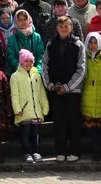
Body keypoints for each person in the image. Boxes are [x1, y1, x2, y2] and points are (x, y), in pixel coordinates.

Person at [42, 16, 86, 162]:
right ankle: (60, 151)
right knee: (59, 122)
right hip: (56, 90)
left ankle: (75, 151)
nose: (64, 28)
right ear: (57, 28)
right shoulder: (51, 44)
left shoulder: (78, 44)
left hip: (72, 91)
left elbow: (81, 69)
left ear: (71, 27)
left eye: (67, 25)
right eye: (61, 26)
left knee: (73, 122)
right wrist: (50, 85)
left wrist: (68, 87)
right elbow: (45, 66)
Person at [11, 48, 48, 164]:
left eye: (31, 61)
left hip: (36, 111)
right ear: (21, 62)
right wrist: (17, 109)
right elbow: (14, 95)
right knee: (25, 134)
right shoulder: (15, 76)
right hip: (23, 111)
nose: (29, 63)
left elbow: (42, 93)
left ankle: (36, 152)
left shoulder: (36, 75)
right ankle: (26, 153)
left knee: (35, 134)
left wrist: (45, 108)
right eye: (26, 61)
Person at [82, 32, 101, 161]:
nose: (93, 45)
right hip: (87, 97)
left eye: (95, 43)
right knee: (91, 129)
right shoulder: (84, 59)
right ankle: (96, 152)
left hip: (100, 97)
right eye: (90, 42)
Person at [6, 9, 43, 74]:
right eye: (20, 20)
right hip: (18, 72)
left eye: (25, 19)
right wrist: (20, 68)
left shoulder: (37, 37)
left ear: (29, 19)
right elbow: (10, 56)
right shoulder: (11, 38)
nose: (23, 22)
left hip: (35, 73)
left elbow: (40, 55)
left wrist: (38, 69)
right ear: (16, 21)